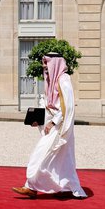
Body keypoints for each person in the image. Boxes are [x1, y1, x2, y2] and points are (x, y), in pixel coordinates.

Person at [12, 53, 87, 199]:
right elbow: (47, 104)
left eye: (47, 63)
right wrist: (38, 120)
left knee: (40, 153)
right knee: (62, 160)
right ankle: (65, 188)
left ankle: (31, 186)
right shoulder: (50, 80)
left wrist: (54, 122)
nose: (44, 66)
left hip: (60, 126)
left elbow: (68, 107)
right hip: (52, 125)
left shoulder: (64, 80)